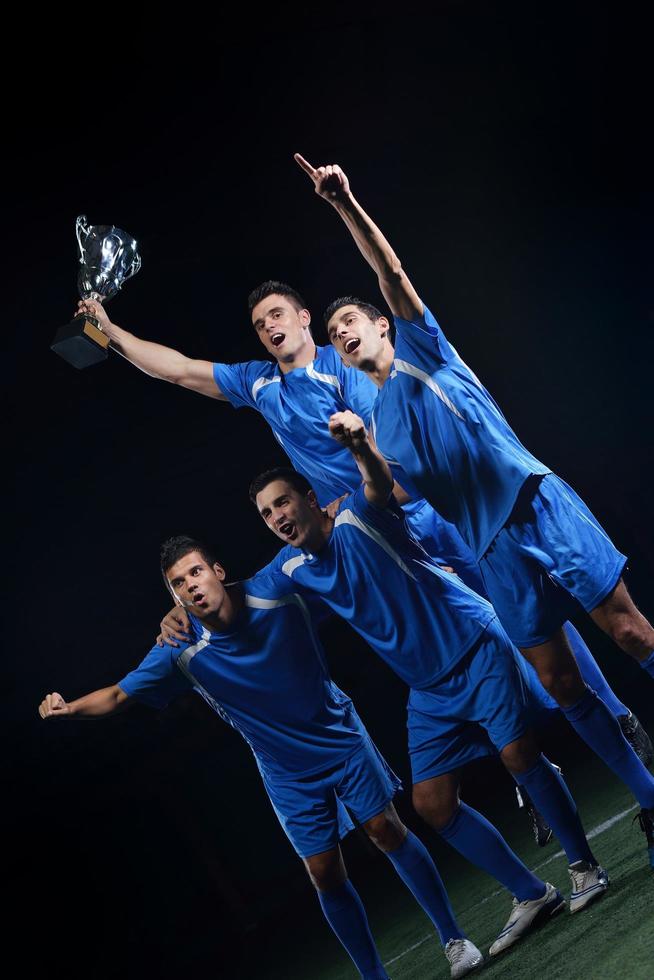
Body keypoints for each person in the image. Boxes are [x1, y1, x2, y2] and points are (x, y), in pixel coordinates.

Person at [294, 154, 654, 868]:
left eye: (350, 320)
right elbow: (393, 494)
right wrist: (360, 456)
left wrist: (345, 205)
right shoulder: (382, 422)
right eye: (333, 330)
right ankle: (649, 795)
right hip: (493, 552)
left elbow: (392, 276)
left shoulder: (427, 347)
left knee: (630, 633)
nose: (341, 331)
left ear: (383, 327)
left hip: (537, 504)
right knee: (558, 682)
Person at [38, 536, 487, 980]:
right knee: (324, 873)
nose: (191, 585)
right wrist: (69, 708)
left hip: (339, 735)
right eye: (179, 583)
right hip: (285, 770)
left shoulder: (274, 590)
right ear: (173, 596)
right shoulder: (179, 649)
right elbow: (118, 695)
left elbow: (325, 549)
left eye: (196, 572)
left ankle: (454, 937)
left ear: (218, 571)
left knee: (386, 829)